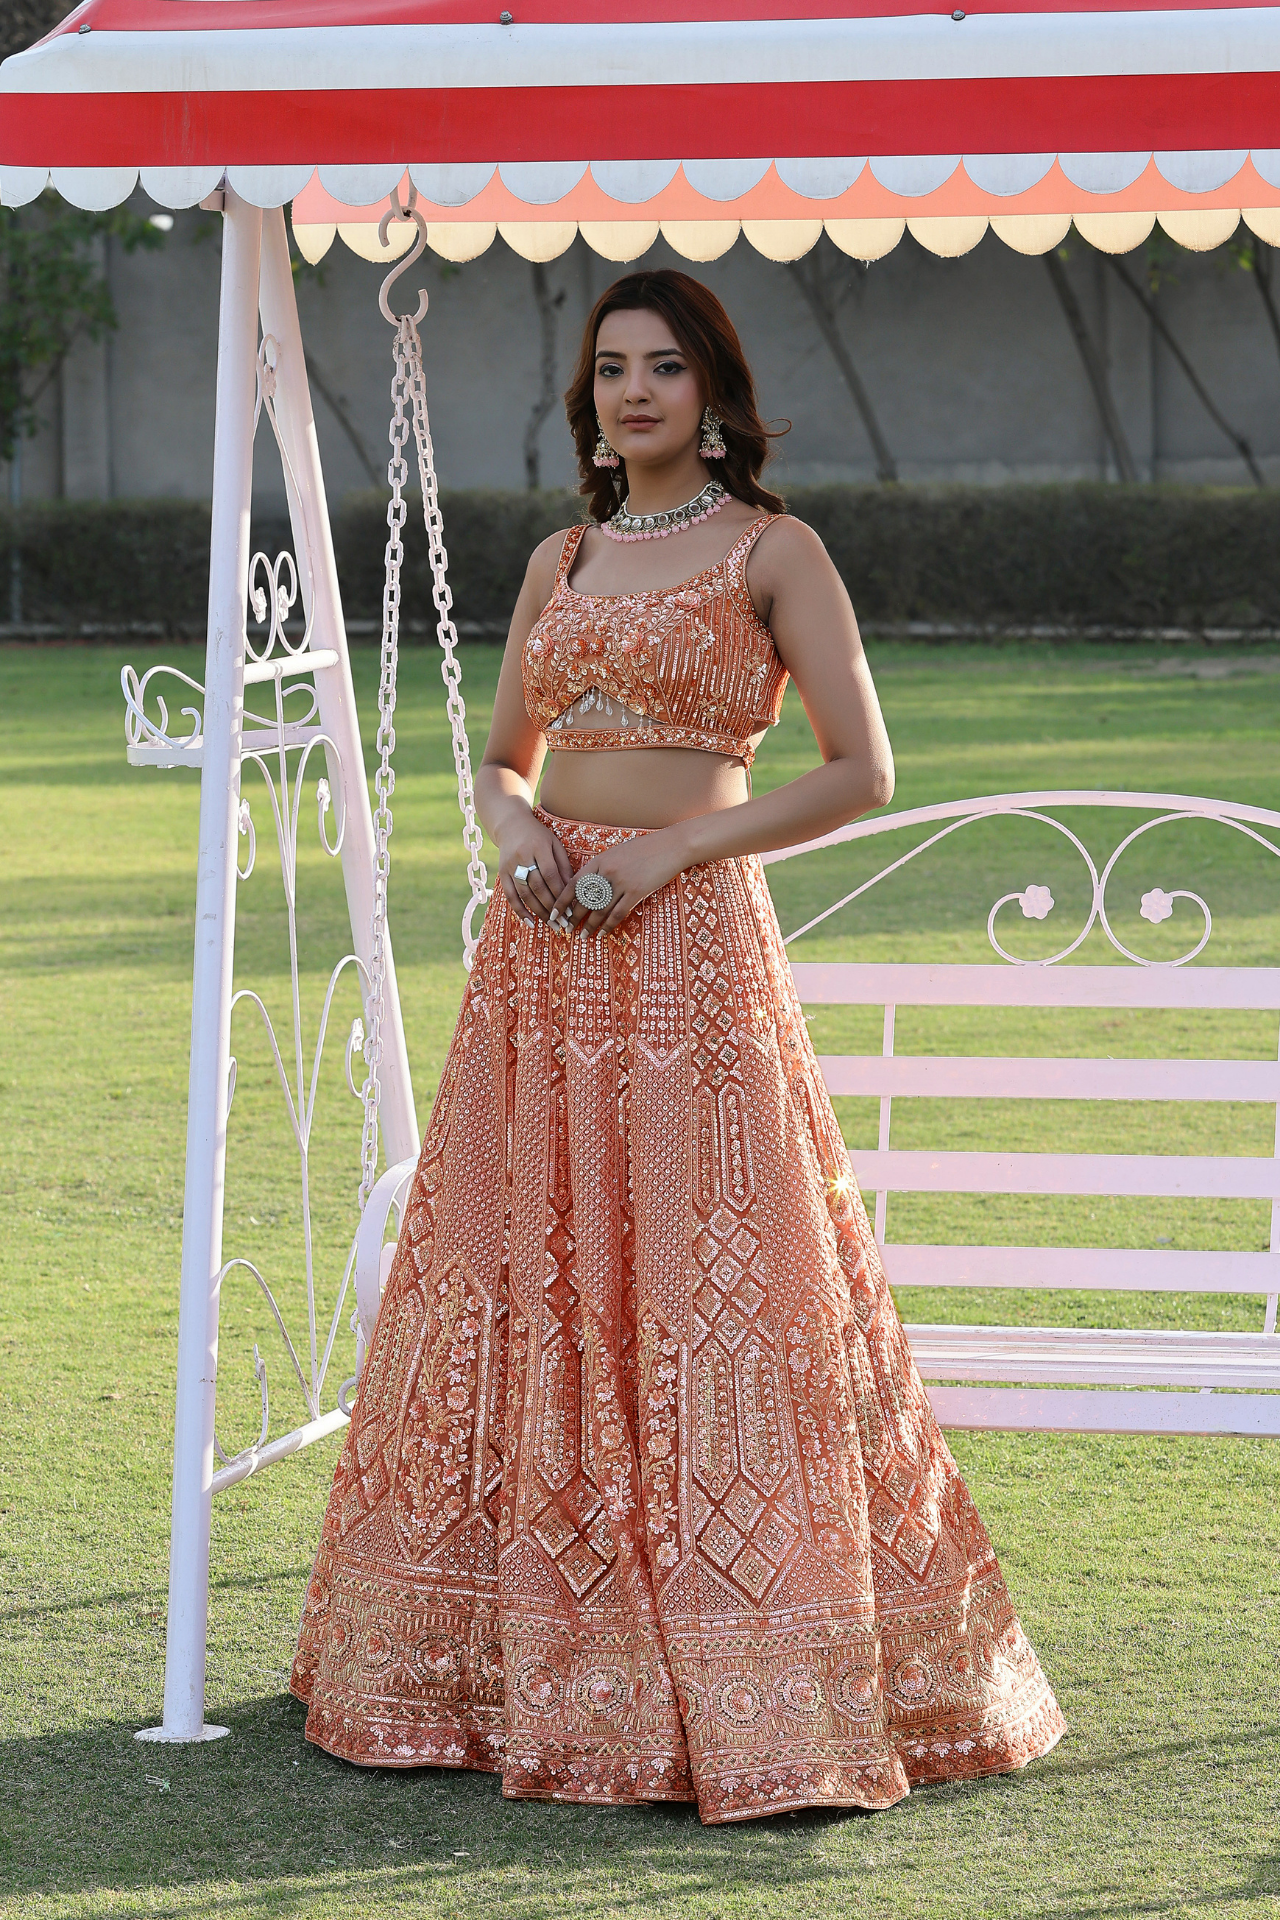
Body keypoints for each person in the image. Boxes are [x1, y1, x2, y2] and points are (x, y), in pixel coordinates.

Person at [291, 268, 1064, 1822]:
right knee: (527, 1270)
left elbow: (864, 771)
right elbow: (504, 759)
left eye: (662, 367)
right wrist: (517, 831)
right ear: (590, 399)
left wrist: (676, 856)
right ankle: (486, 1666)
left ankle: (754, 1672)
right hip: (543, 960)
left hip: (689, 955)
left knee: (719, 1277)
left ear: (715, 391)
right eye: (610, 369)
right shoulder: (562, 558)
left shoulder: (777, 551)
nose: (633, 391)